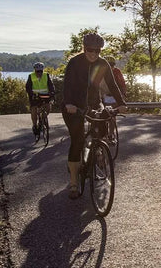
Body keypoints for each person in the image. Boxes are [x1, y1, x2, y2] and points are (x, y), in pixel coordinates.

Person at [62, 33, 127, 200]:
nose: (93, 53)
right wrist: (69, 103)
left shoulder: (103, 63)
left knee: (101, 130)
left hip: (93, 104)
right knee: (77, 141)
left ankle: (98, 152)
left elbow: (112, 85)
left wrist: (121, 103)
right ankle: (74, 182)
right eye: (90, 50)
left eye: (97, 51)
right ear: (84, 48)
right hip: (73, 106)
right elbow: (67, 85)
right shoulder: (75, 63)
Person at [26, 62, 55, 135]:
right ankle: (35, 125)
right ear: (34, 71)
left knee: (48, 108)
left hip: (45, 95)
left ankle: (42, 120)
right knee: (34, 109)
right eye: (37, 71)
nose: (39, 73)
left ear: (43, 70)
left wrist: (52, 92)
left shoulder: (46, 75)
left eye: (41, 71)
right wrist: (31, 94)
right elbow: (28, 87)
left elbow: (51, 85)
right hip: (35, 96)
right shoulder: (31, 76)